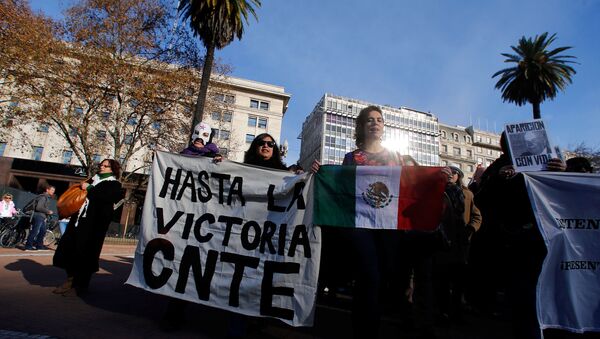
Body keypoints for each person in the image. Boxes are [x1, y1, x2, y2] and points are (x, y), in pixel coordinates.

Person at [312, 106, 421, 338]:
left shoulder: (396, 157)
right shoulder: (351, 158)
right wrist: (321, 172)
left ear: (383, 127)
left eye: (379, 120)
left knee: (381, 278)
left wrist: (437, 178)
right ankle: (364, 330)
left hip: (388, 227)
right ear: (362, 126)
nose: (375, 123)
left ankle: (368, 324)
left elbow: (410, 187)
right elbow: (339, 187)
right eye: (370, 120)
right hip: (360, 227)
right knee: (369, 275)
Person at [226, 133, 290, 338]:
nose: (266, 146)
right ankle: (237, 325)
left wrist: (300, 174)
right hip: (242, 236)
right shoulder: (242, 170)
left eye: (270, 144)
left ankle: (257, 322)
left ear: (275, 149)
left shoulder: (285, 174)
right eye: (261, 143)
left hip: (268, 238)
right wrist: (215, 164)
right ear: (255, 147)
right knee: (240, 279)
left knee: (263, 281)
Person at [52, 159, 122, 296]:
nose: (102, 167)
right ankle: (70, 280)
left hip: (94, 226)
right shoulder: (91, 179)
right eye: (101, 165)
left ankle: (80, 286)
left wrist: (89, 189)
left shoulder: (114, 184)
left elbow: (106, 198)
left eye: (105, 166)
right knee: (69, 249)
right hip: (78, 221)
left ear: (112, 169)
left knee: (86, 254)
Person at [433, 165, 482, 323]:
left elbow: (477, 216)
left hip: (461, 243)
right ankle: (442, 311)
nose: (450, 175)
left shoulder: (467, 193)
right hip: (442, 241)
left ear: (459, 176)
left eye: (454, 173)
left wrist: (470, 230)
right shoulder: (436, 191)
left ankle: (456, 312)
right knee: (442, 281)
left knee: (459, 281)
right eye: (447, 172)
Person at [23, 185, 55, 251]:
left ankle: (39, 246)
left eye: (53, 191)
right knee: (34, 231)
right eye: (52, 190)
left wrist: (46, 216)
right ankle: (28, 247)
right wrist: (48, 211)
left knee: (42, 231)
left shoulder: (46, 197)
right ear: (47, 190)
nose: (53, 192)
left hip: (42, 216)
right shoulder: (43, 197)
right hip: (38, 216)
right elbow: (38, 207)